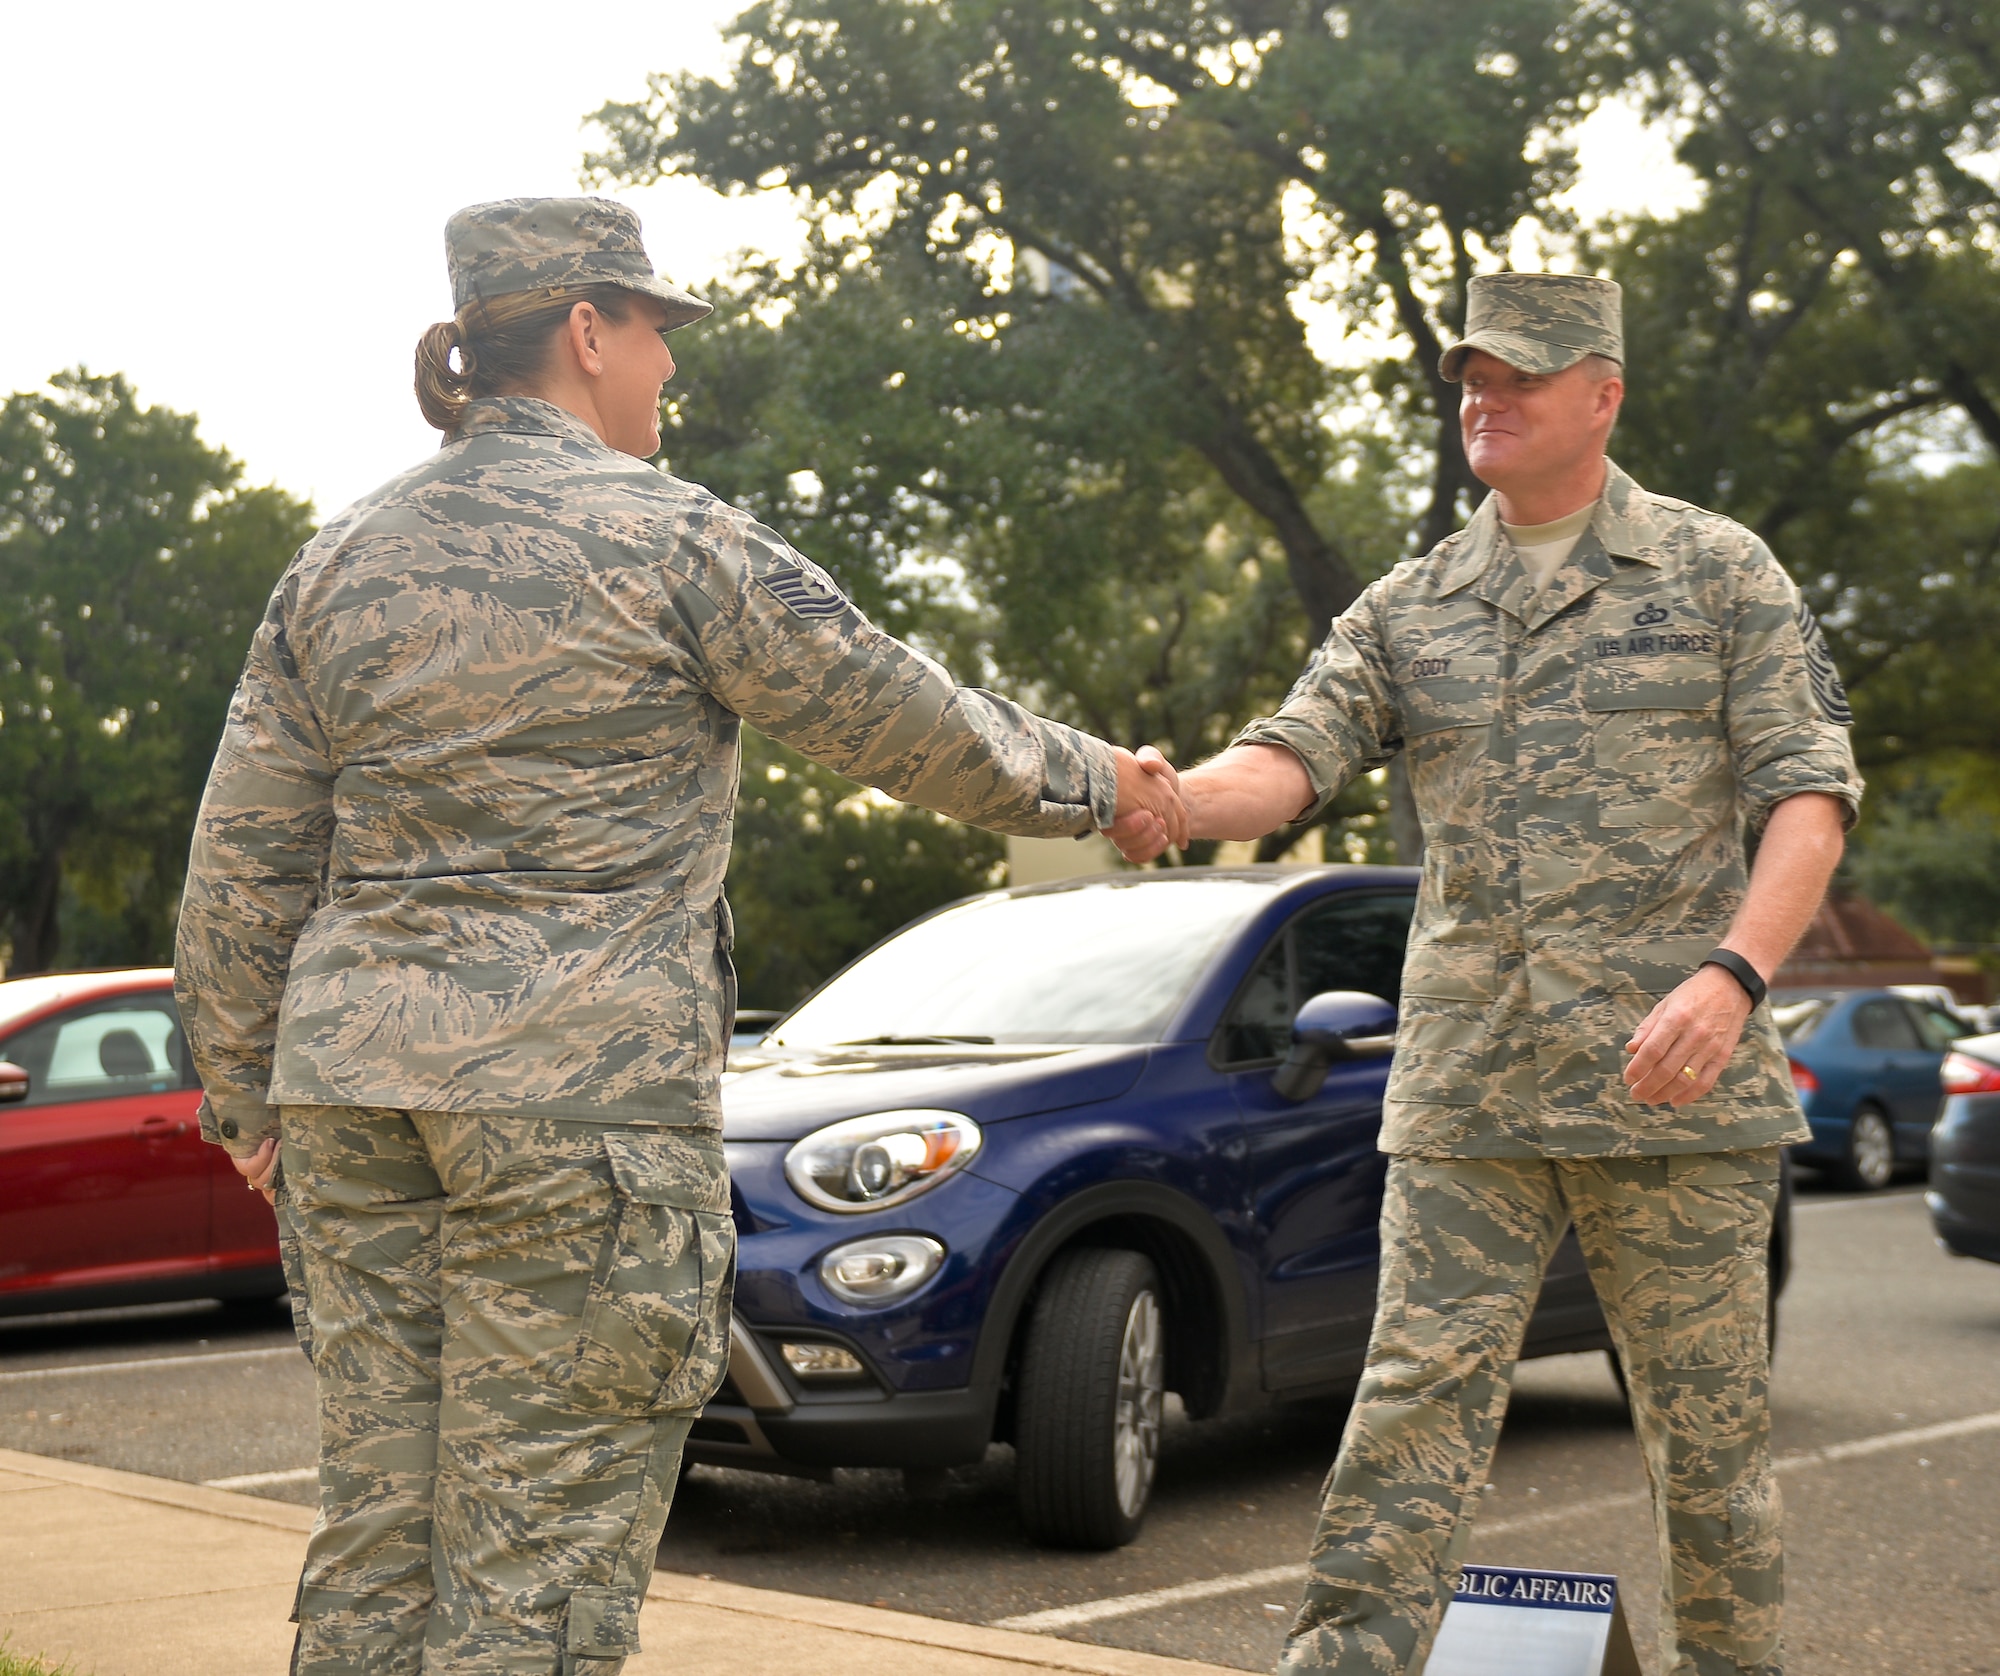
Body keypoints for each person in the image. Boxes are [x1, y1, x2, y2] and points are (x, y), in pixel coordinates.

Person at [174, 196, 1185, 1676]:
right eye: (654, 332)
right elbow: (904, 721)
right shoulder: (672, 538)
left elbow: (240, 862)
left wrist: (248, 1094)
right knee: (538, 1570)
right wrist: (1113, 786)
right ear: (587, 330)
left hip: (354, 1104)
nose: (667, 369)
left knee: (377, 1552)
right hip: (567, 1107)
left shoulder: (340, 560)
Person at [1110, 273, 1860, 1676]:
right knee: (1408, 1414)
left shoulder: (1718, 572)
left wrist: (1735, 976)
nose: (1485, 399)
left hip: (1676, 1083)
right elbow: (1289, 759)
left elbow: (1809, 798)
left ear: (1603, 392)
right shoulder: (1412, 605)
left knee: (1709, 1453)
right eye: (1472, 375)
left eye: (1519, 375)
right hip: (1474, 1090)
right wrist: (1165, 794)